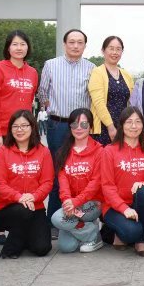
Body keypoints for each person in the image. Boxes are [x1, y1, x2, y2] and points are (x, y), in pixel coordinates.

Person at [37, 29, 96, 234]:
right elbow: (42, 93)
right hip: (58, 124)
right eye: (71, 42)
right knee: (57, 172)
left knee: (81, 172)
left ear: (85, 46)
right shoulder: (50, 65)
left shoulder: (91, 68)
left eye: (80, 42)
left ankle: (83, 216)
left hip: (82, 127)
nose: (75, 46)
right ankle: (55, 222)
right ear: (64, 44)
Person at [0, 110, 53, 259]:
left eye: (24, 125)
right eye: (15, 126)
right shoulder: (2, 152)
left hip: (35, 206)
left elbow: (47, 182)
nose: (19, 130)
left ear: (32, 127)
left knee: (42, 248)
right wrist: (19, 197)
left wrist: (33, 196)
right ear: (10, 129)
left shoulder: (43, 152)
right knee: (23, 211)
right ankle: (11, 249)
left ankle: (23, 236)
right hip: (8, 208)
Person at [100, 106, 144, 257]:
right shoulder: (109, 151)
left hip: (139, 205)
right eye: (129, 122)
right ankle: (119, 232)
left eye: (138, 122)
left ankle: (140, 241)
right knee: (131, 232)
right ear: (122, 125)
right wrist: (123, 208)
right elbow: (107, 186)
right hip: (114, 207)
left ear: (143, 125)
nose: (134, 126)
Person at [51, 108, 105, 253]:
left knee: (56, 218)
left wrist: (76, 202)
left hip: (92, 203)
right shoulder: (63, 152)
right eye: (74, 124)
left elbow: (95, 183)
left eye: (84, 124)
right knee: (67, 247)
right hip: (71, 204)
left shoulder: (100, 151)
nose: (79, 128)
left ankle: (92, 234)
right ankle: (89, 230)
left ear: (91, 127)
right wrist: (67, 201)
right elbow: (63, 183)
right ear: (70, 127)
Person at [0, 30, 39, 150]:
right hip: (3, 132)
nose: (19, 48)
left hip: (25, 131)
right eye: (15, 44)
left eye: (22, 44)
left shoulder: (33, 73)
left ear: (28, 47)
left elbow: (30, 101)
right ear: (8, 47)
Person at [88, 36, 135, 146]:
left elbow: (131, 102)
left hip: (123, 127)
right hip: (103, 128)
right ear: (103, 51)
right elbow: (98, 103)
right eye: (111, 48)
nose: (115, 52)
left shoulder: (127, 75)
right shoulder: (97, 73)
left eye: (118, 49)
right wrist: (110, 127)